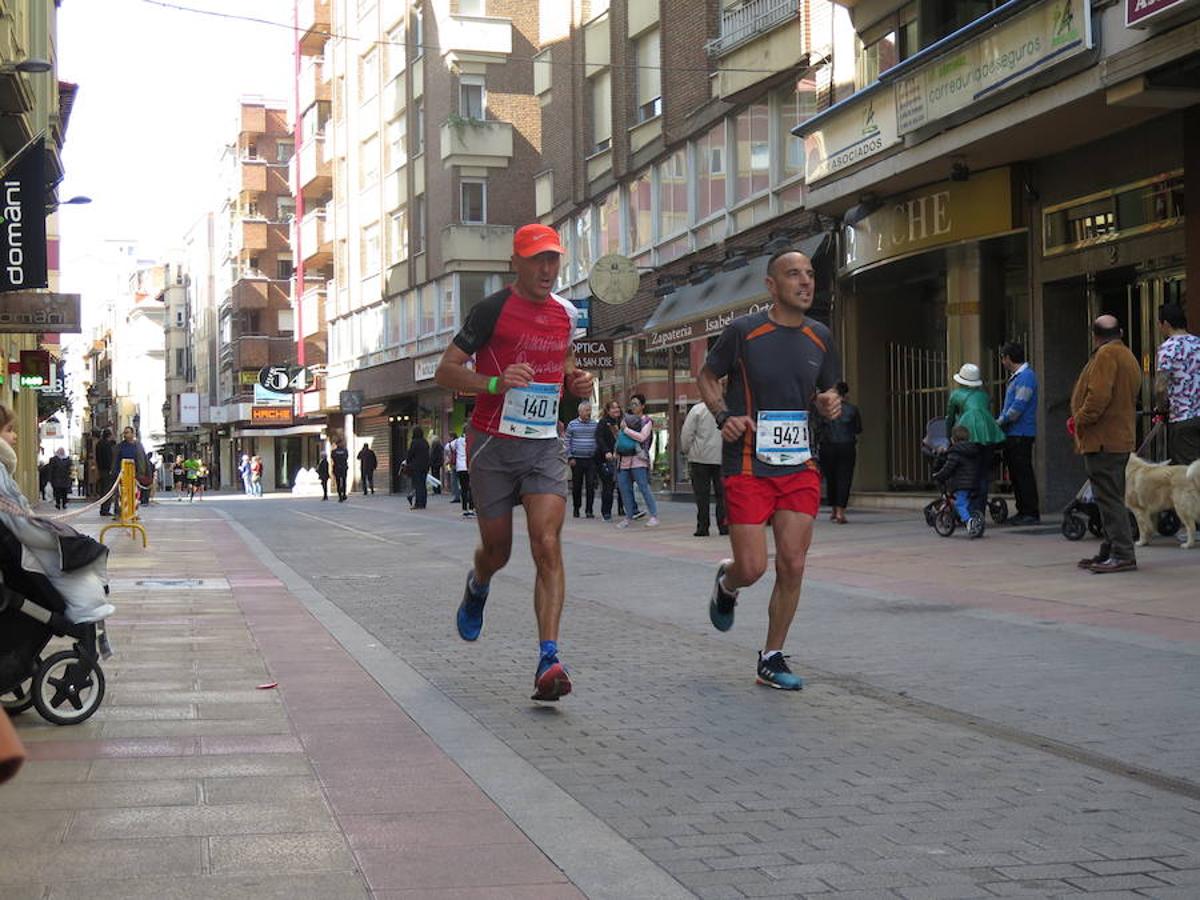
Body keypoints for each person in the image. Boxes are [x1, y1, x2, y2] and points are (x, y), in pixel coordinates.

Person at [434, 222, 592, 702]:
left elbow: (562, 369)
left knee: (546, 543)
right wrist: (495, 383)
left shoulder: (567, 313)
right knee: (498, 550)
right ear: (516, 262)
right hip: (492, 443)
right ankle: (479, 582)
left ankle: (549, 657)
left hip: (543, 443)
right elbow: (446, 371)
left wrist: (575, 385)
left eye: (554, 259)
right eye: (538, 259)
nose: (548, 269)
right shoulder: (491, 310)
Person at [696, 247, 841, 691]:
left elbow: (829, 393)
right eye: (794, 274)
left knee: (793, 564)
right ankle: (728, 582)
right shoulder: (743, 331)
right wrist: (724, 417)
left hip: (799, 463)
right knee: (754, 567)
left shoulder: (821, 336)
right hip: (747, 464)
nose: (805, 282)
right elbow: (706, 375)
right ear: (771, 285)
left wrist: (828, 403)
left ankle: (771, 657)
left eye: (810, 274)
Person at [1071, 314, 1142, 574]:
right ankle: (1110, 550)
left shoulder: (1105, 356)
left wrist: (1079, 419)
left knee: (1108, 498)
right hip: (1118, 438)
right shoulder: (1127, 355)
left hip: (1103, 439)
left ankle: (1122, 553)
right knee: (1111, 496)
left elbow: (1098, 397)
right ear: (1120, 331)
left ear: (1095, 335)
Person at [946, 363, 1005, 516]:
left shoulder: (956, 395)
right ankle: (979, 511)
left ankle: (967, 510)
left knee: (967, 471)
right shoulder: (984, 396)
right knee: (982, 474)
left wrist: (948, 437)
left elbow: (950, 418)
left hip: (968, 432)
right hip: (988, 432)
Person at [997, 342, 1040, 525]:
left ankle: (1030, 512)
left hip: (1021, 434)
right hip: (1013, 433)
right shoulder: (1018, 377)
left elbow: (1017, 408)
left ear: (1008, 358)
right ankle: (1023, 510)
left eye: (1003, 358)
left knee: (1023, 474)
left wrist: (999, 421)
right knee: (1015, 474)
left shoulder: (1026, 377)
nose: (1002, 362)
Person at [1155, 303, 1200, 467]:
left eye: (1159, 324)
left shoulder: (1168, 348)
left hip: (1183, 417)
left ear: (1165, 323)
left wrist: (1161, 408)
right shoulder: (1198, 343)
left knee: (1188, 473)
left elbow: (1161, 386)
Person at [679, 399, 726, 536]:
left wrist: (687, 450)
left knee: (702, 495)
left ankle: (703, 527)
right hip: (721, 456)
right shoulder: (725, 409)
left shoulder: (697, 410)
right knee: (722, 495)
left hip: (699, 457)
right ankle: (723, 525)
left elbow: (687, 434)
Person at [818, 382, 862, 525]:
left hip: (827, 446)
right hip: (847, 446)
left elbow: (818, 427)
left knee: (831, 478)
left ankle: (833, 510)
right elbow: (858, 429)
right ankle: (840, 512)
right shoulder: (852, 409)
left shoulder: (825, 410)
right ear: (846, 395)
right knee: (844, 478)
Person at [615, 394, 658, 528]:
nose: (633, 407)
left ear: (643, 406)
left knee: (643, 487)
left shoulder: (647, 421)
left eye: (636, 404)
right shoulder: (626, 420)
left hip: (639, 459)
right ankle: (629, 516)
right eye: (631, 404)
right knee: (624, 488)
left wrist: (626, 430)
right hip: (623, 459)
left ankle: (654, 515)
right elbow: (619, 439)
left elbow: (642, 437)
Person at [932, 425, 985, 530]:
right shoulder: (974, 450)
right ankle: (974, 520)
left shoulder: (955, 452)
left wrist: (938, 475)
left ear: (953, 439)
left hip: (961, 485)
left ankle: (969, 522)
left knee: (960, 504)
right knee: (967, 504)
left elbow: (948, 468)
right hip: (974, 483)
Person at [594, 399, 630, 521]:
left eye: (617, 407)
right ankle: (606, 512)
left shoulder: (622, 422)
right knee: (608, 485)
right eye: (613, 408)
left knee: (623, 485)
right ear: (608, 411)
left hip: (621, 457)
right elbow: (599, 438)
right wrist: (606, 452)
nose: (616, 410)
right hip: (606, 459)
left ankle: (622, 508)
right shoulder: (603, 423)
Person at [565, 401, 599, 519]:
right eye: (586, 410)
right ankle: (576, 508)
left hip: (590, 459)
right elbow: (567, 441)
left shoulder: (594, 425)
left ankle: (589, 510)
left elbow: (598, 440)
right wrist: (570, 456)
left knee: (590, 485)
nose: (588, 413)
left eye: (589, 410)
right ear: (580, 412)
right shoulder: (572, 424)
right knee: (577, 485)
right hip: (577, 459)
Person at [112, 426, 150, 514]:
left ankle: (133, 511)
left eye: (127, 432)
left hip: (135, 474)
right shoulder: (120, 447)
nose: (125, 435)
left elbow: (143, 459)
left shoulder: (138, 446)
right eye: (124, 433)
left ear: (133, 434)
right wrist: (116, 472)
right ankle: (120, 512)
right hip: (122, 473)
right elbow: (116, 460)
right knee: (121, 494)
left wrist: (143, 473)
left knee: (134, 494)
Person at [446, 431, 473, 515]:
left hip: (461, 467)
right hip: (471, 466)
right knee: (471, 488)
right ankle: (472, 508)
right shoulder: (473, 440)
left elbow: (448, 447)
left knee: (463, 488)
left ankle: (465, 508)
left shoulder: (458, 441)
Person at [404, 427, 431, 509]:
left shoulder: (414, 442)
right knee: (423, 485)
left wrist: (407, 462)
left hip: (416, 467)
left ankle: (418, 503)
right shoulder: (425, 442)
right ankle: (423, 503)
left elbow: (410, 454)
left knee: (417, 485)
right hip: (425, 466)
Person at [96, 429, 116, 516]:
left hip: (101, 469)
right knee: (107, 491)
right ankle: (105, 509)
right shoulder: (107, 445)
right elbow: (109, 458)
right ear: (109, 435)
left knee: (103, 490)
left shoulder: (98, 444)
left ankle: (103, 508)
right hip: (107, 471)